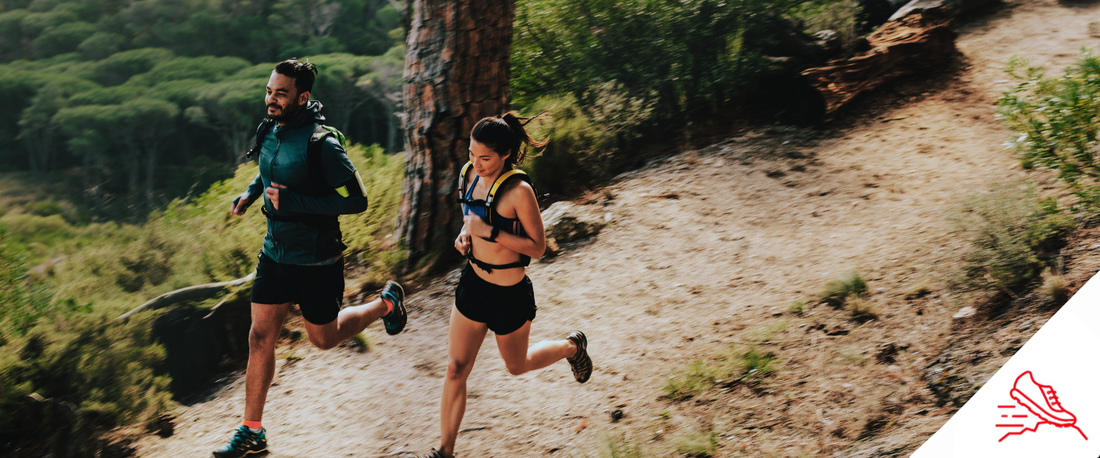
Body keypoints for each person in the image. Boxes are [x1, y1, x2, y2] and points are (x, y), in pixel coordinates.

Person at [213, 59, 408, 458]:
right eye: (269, 90)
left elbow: (357, 200)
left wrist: (294, 201)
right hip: (275, 254)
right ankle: (252, 432)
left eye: (280, 94)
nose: (271, 99)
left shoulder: (323, 144)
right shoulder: (270, 129)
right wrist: (251, 195)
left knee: (322, 337)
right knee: (259, 336)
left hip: (318, 259)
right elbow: (269, 170)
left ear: (303, 97)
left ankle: (386, 303)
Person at [417, 112, 593, 458]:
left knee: (517, 365)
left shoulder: (519, 191)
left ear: (506, 155)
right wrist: (465, 236)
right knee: (456, 368)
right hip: (473, 284)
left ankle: (572, 347)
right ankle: (445, 451)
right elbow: (473, 221)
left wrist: (491, 232)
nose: (476, 163)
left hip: (509, 294)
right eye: (471, 154)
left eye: (485, 158)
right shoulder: (467, 175)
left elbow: (538, 247)